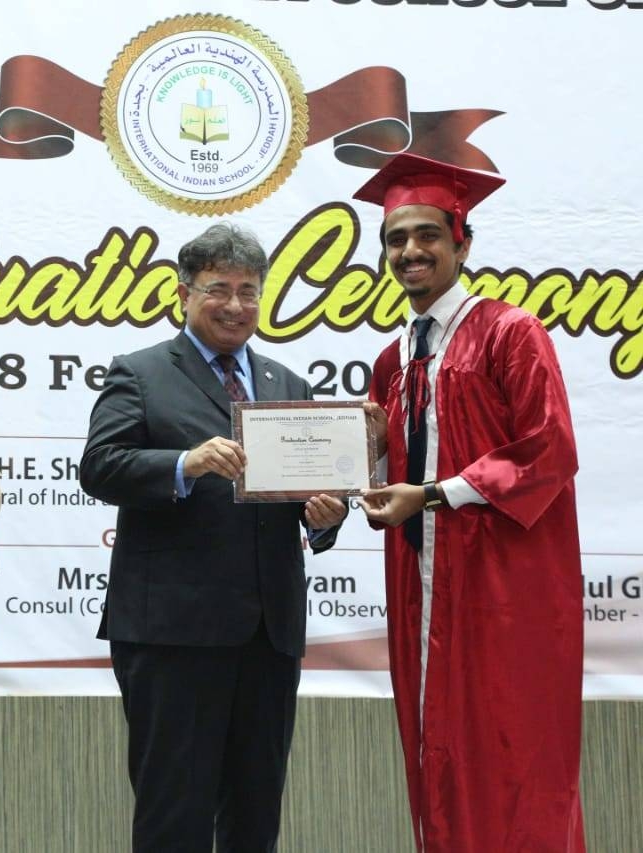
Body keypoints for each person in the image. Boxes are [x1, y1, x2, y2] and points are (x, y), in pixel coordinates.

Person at [79, 222, 347, 852]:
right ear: (184, 294)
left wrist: (325, 515)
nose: (235, 305)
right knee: (176, 809)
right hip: (174, 631)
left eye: (249, 291)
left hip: (269, 633)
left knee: (256, 809)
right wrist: (184, 463)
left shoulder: (288, 385)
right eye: (218, 289)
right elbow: (99, 466)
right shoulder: (140, 374)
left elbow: (307, 505)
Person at [354, 153, 585, 852]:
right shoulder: (394, 360)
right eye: (396, 239)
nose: (410, 251)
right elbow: (399, 467)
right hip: (424, 589)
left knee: (513, 751)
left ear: (463, 243)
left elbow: (549, 450)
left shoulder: (510, 333)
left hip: (504, 587)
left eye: (427, 234)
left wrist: (427, 494)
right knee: (434, 748)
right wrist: (366, 454)